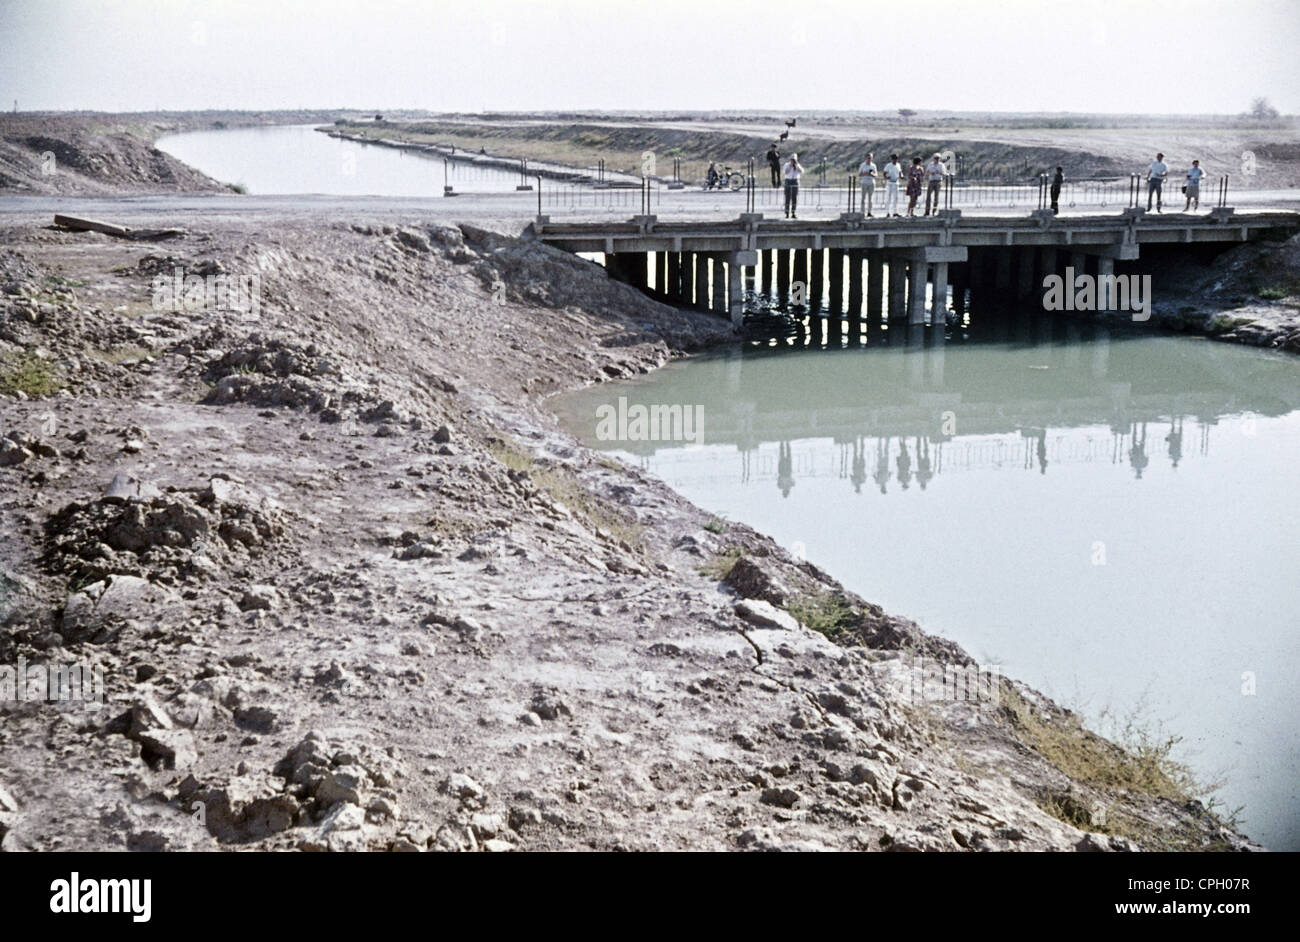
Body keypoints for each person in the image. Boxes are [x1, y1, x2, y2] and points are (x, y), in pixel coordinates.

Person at [783, 153, 805, 218]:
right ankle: (787, 212)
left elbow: (802, 171)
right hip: (788, 181)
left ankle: (793, 212)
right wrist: (790, 166)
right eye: (792, 160)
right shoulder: (787, 165)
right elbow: (785, 172)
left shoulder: (797, 165)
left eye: (794, 160)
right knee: (787, 197)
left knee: (794, 197)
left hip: (795, 181)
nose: (793, 161)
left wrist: (797, 166)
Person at [857, 151, 877, 216]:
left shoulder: (873, 165)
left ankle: (869, 212)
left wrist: (871, 174)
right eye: (868, 158)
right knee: (863, 198)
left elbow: (876, 175)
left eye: (870, 158)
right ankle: (862, 212)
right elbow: (859, 174)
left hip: (871, 183)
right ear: (866, 158)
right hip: (864, 183)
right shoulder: (862, 165)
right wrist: (865, 173)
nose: (869, 159)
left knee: (870, 198)